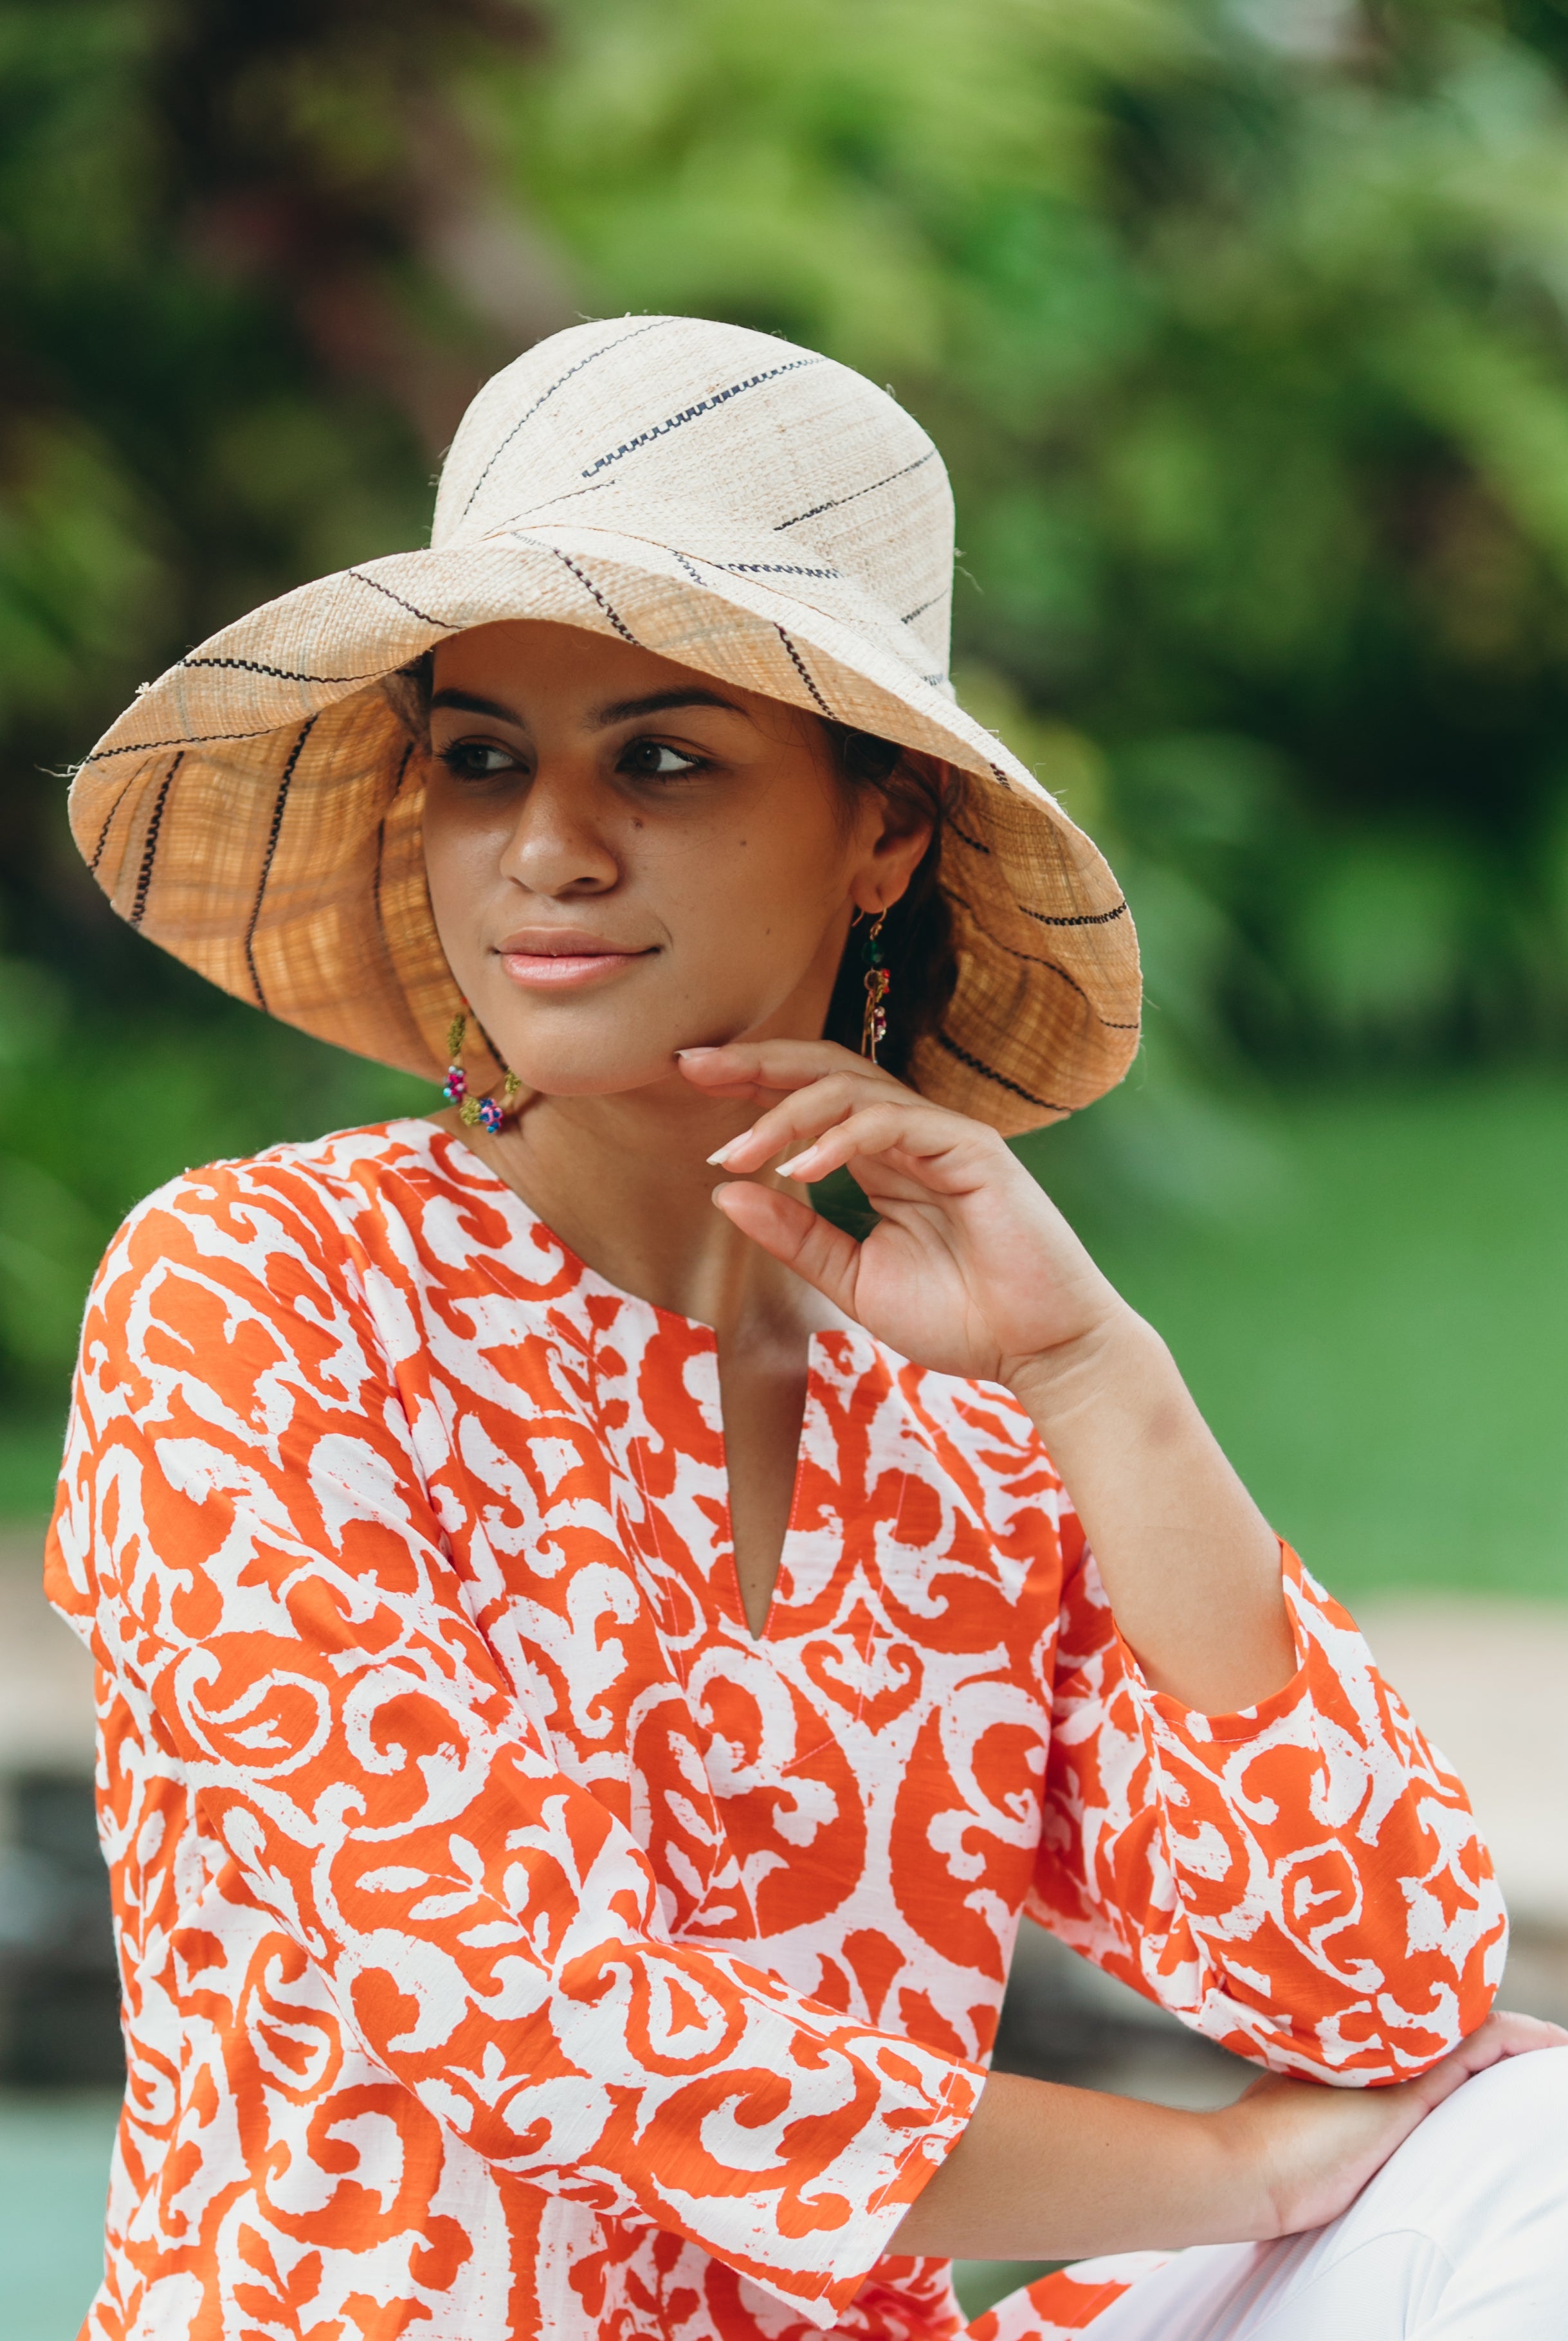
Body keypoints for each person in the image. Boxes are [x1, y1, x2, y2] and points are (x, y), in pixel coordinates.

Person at [50, 316, 1567, 2341]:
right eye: (481, 759)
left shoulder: (960, 1437)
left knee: (1532, 2152)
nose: (548, 849)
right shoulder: (254, 1297)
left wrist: (1099, 1376)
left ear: (886, 828)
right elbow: (526, 2013)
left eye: (659, 759)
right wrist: (1222, 2166)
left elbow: (1379, 1981)